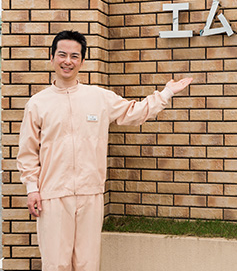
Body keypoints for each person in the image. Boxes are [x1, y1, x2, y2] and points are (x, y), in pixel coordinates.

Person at [17, 30, 193, 271]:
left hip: (91, 193)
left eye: (74, 56)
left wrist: (166, 93)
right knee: (55, 263)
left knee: (88, 264)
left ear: (82, 61)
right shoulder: (37, 103)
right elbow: (28, 152)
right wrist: (32, 189)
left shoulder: (99, 97)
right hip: (53, 195)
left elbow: (135, 112)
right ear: (52, 58)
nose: (68, 61)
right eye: (62, 55)